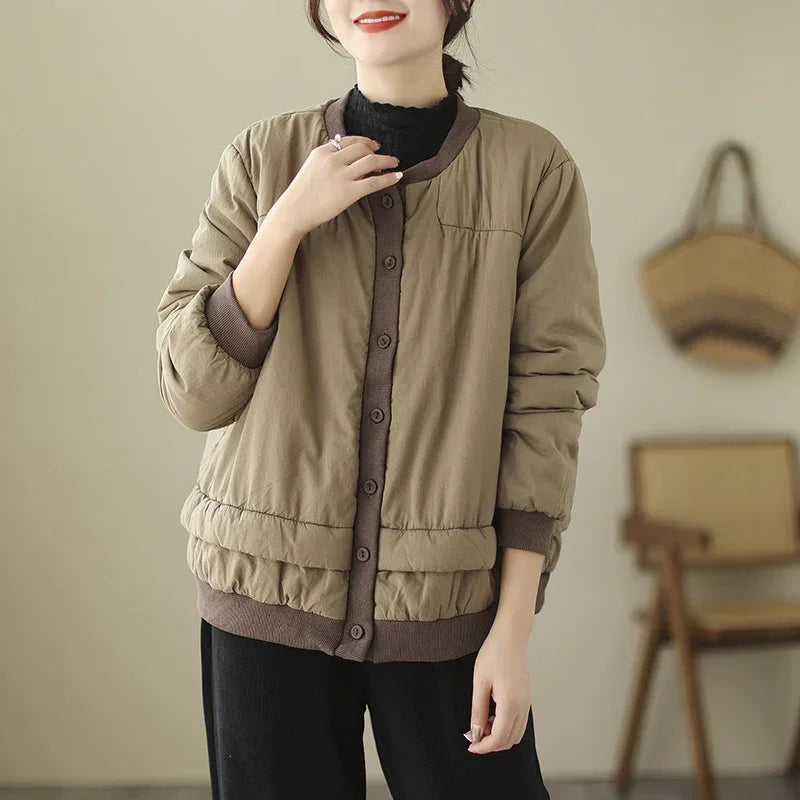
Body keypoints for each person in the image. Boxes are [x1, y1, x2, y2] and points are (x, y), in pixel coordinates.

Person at [155, 1, 606, 797]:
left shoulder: (533, 172)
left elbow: (548, 403)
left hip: (447, 604)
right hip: (264, 593)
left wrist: (512, 630)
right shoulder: (263, 158)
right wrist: (286, 222)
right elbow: (195, 390)